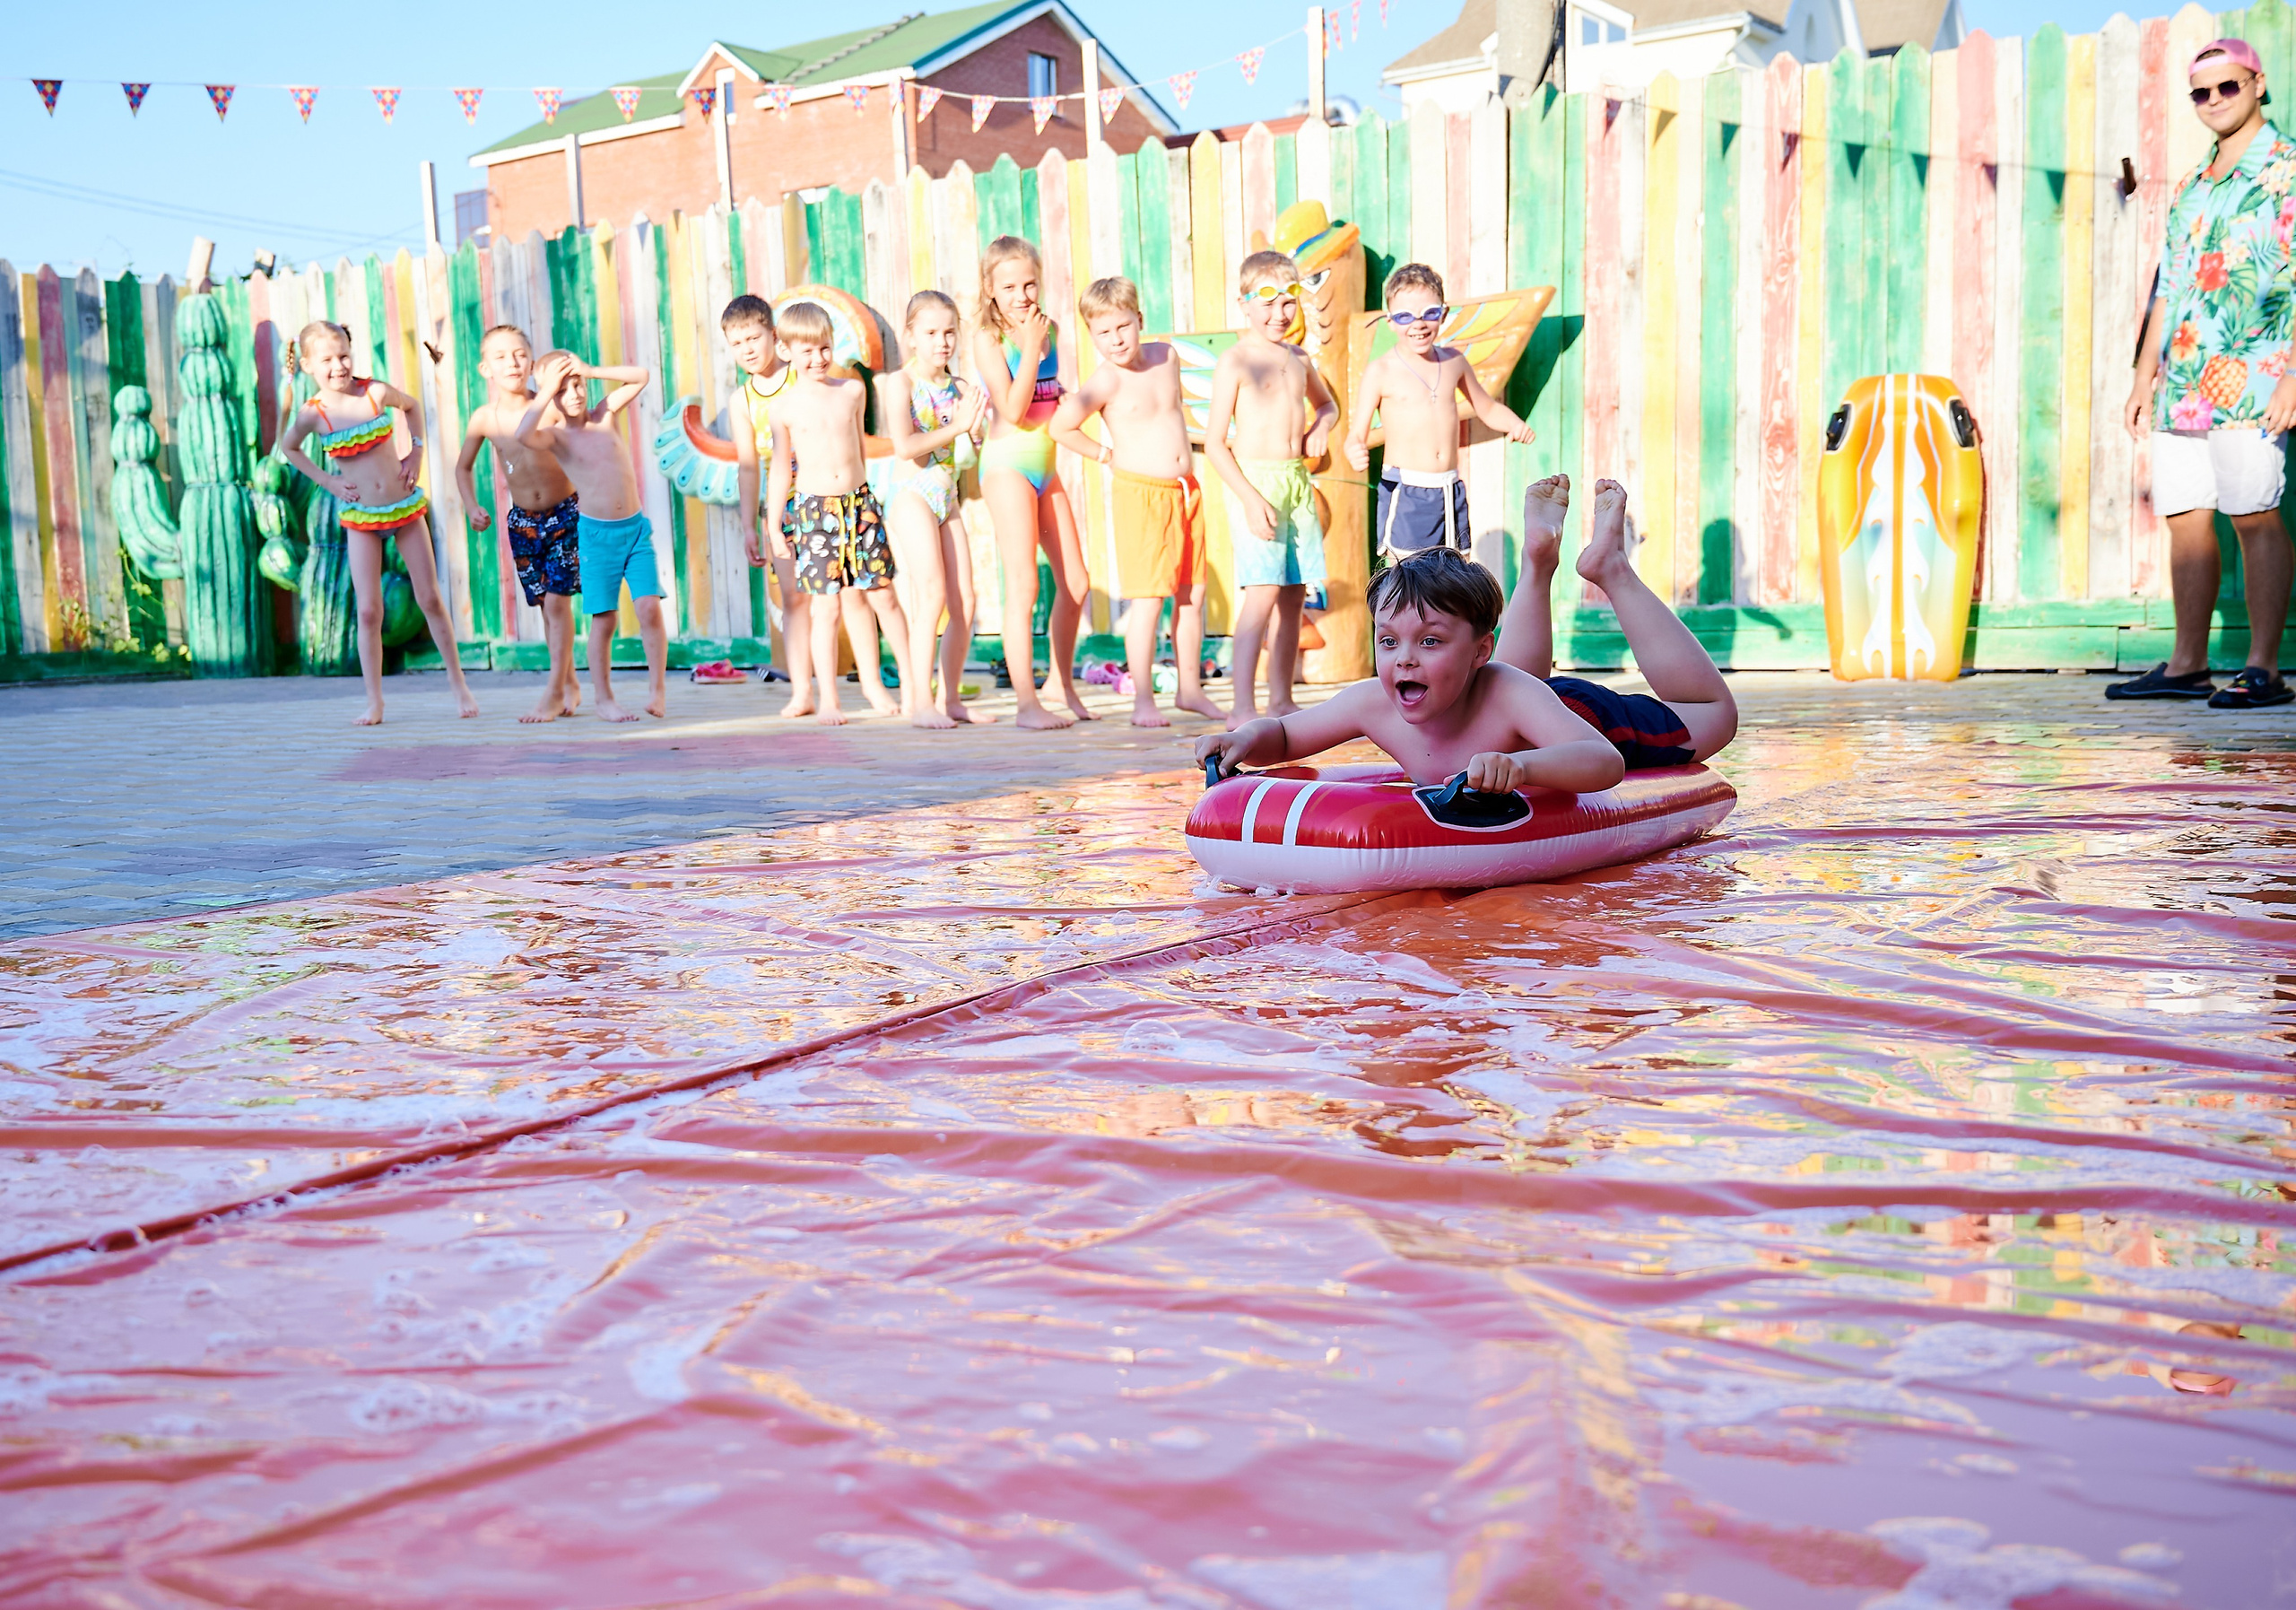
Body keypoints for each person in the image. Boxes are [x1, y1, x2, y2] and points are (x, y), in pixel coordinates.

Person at [1196, 479, 1735, 789]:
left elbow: (1603, 761)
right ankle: (1538, 559)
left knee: (1715, 715)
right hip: (1506, 697)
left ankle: (1611, 566)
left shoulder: (1508, 690)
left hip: (1577, 718)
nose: (1404, 659)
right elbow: (1287, 738)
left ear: (1480, 650)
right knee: (1513, 683)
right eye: (1389, 641)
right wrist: (1244, 740)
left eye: (1428, 640)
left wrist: (1521, 766)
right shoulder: (1371, 703)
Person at [2117, 37, 2294, 709]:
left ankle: (2263, 669)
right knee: (2186, 516)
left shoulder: (2288, 169)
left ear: (2257, 84)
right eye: (2201, 91)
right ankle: (2188, 663)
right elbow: (2171, 286)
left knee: (2254, 514)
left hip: (2257, 372)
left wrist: (2294, 374)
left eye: (2228, 86)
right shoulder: (2194, 184)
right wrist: (2142, 375)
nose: (2215, 100)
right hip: (2185, 375)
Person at [278, 320, 478, 727]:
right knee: (368, 611)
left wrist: (416, 452)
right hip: (361, 519)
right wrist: (329, 481)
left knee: (430, 599)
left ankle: (460, 687)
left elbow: (413, 407)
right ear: (309, 366)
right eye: (327, 360)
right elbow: (289, 448)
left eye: (344, 355)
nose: (339, 365)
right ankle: (375, 702)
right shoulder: (313, 414)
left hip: (403, 509)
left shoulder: (375, 393)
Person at [1050, 275, 1222, 727]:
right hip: (1141, 494)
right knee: (1148, 600)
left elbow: (1170, 417)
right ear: (1092, 337)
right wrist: (1104, 453)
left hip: (1186, 489)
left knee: (1192, 593)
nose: (1115, 340)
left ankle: (1189, 688)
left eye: (1123, 327)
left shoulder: (1166, 357)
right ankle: (1142, 698)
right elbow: (1061, 427)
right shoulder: (1105, 382)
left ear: (1139, 320)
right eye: (1103, 333)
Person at [1202, 249, 1340, 728]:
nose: (1279, 314)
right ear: (1243, 303)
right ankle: (1243, 704)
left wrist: (1322, 425)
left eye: (1288, 302)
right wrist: (1249, 497)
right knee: (1260, 595)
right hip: (1255, 482)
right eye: (1267, 303)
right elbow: (1216, 444)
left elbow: (1329, 407)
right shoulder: (1235, 361)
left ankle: (1281, 699)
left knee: (1294, 595)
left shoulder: (1299, 359)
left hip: (1295, 483)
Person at [766, 300, 914, 727]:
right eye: (807, 350)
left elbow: (860, 449)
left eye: (824, 347)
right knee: (826, 608)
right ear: (787, 351)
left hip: (859, 505)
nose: (818, 358)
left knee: (882, 595)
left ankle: (910, 684)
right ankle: (828, 697)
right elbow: (780, 468)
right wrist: (777, 525)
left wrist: (868, 504)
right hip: (815, 513)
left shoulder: (851, 391)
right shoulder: (785, 407)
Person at [972, 235, 1094, 728]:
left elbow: (1044, 396)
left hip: (1047, 463)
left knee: (1077, 583)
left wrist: (1064, 396)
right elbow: (1012, 408)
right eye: (1009, 286)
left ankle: (1059, 684)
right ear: (989, 289)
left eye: (1029, 284)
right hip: (1007, 466)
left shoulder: (1051, 328)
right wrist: (1026, 347)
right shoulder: (988, 338)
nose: (1022, 295)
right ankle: (1026, 704)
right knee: (1023, 584)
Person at [1343, 262, 1535, 560]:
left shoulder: (1453, 362)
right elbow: (1356, 434)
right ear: (1390, 321)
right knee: (1407, 578)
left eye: (1429, 313)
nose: (1418, 325)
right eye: (1405, 317)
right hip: (1407, 490)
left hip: (1449, 488)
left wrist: (1514, 424)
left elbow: (1487, 407)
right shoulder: (1381, 371)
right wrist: (1354, 449)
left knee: (1455, 574)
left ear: (1443, 314)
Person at [516, 351, 664, 722]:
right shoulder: (556, 437)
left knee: (648, 606)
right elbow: (522, 434)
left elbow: (641, 374)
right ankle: (604, 699)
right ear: (551, 397)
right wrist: (546, 389)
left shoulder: (605, 415)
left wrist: (592, 370)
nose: (575, 394)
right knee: (606, 618)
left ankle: (657, 689)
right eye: (563, 390)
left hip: (634, 530)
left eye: (577, 384)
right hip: (597, 538)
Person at [875, 289, 994, 728]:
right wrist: (959, 426)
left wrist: (975, 434)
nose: (942, 342)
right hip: (911, 494)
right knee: (932, 594)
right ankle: (919, 701)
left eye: (949, 333)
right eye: (930, 333)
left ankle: (951, 699)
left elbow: (968, 452)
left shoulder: (961, 387)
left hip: (947, 496)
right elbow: (906, 448)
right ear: (910, 337)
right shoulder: (900, 383)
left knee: (965, 599)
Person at [453, 324, 580, 724]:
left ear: (530, 359)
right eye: (500, 356)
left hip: (566, 514)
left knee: (559, 604)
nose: (512, 362)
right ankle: (570, 683)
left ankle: (553, 691)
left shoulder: (551, 404)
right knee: (546, 608)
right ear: (484, 369)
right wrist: (472, 505)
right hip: (523, 522)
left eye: (519, 354)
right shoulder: (485, 418)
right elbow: (463, 467)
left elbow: (583, 443)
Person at [723, 295, 817, 718]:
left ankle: (871, 682)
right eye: (736, 342)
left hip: (824, 497)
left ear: (773, 335)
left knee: (846, 596)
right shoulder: (741, 401)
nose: (746, 348)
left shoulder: (801, 376)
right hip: (780, 510)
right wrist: (750, 526)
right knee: (795, 600)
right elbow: (747, 468)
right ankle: (802, 691)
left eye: (753, 337)